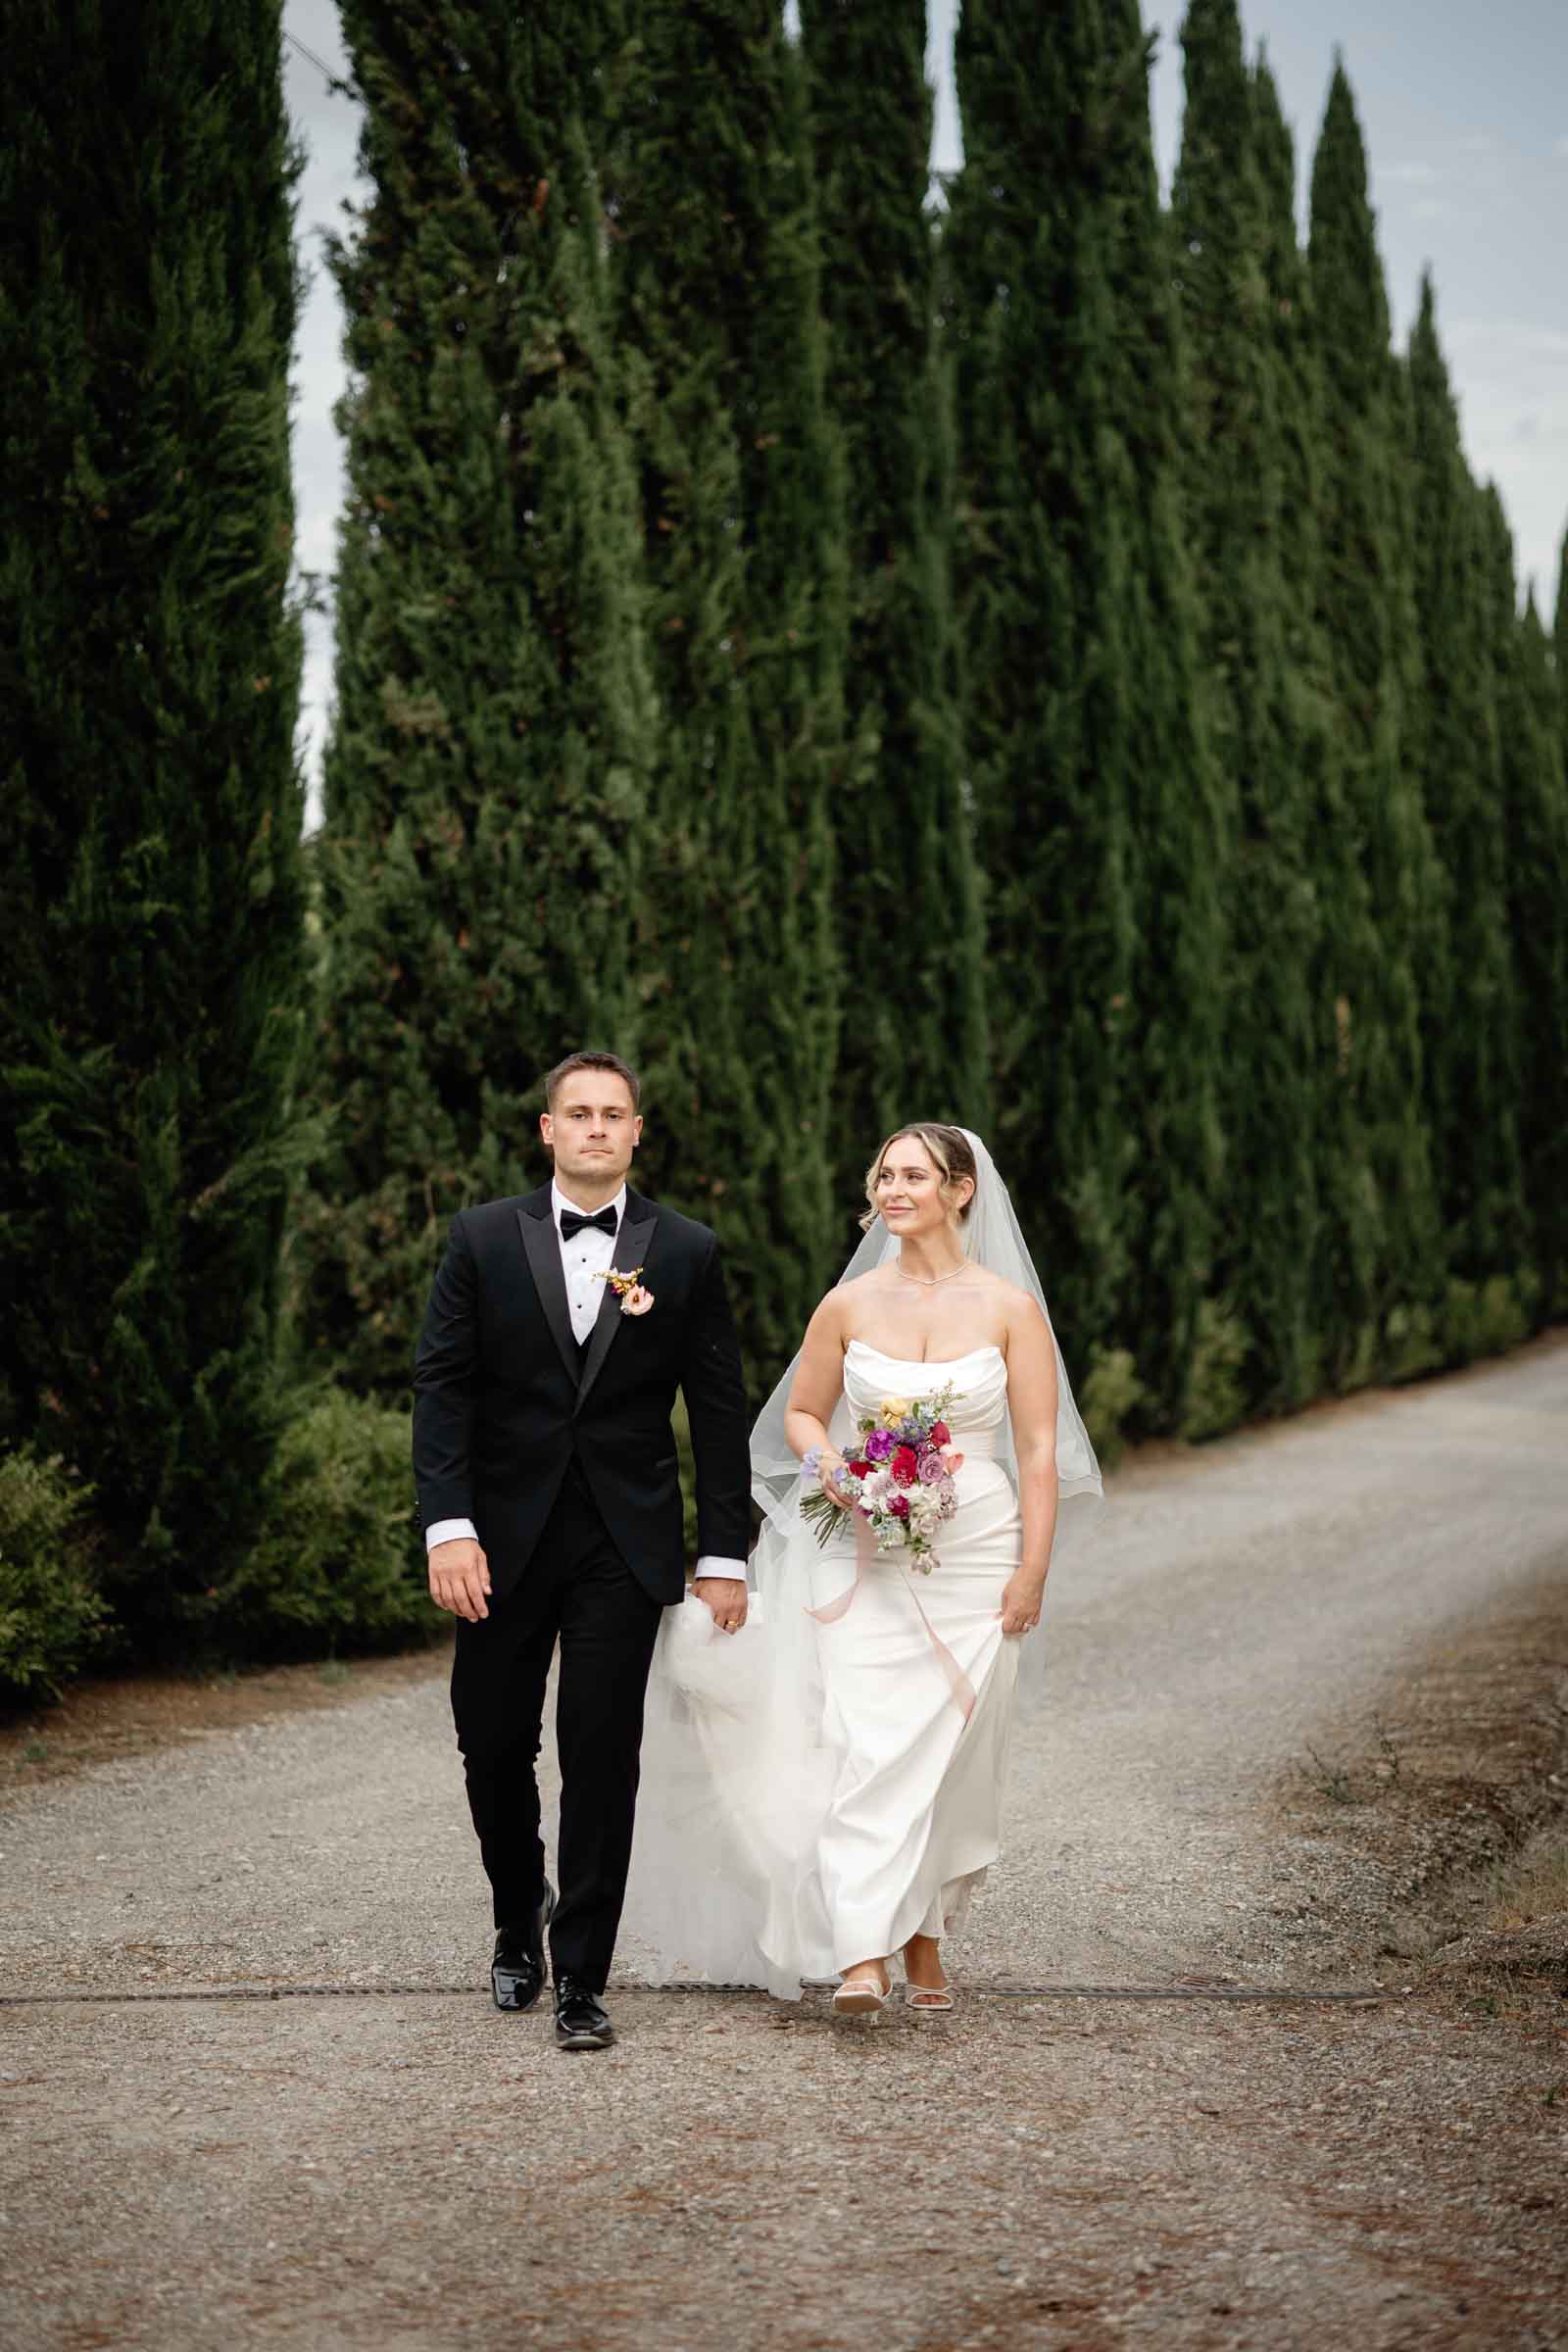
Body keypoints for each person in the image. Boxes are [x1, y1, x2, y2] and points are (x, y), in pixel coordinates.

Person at [622, 1124, 1101, 2012]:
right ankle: (859, 1955)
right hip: (866, 1551)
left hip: (976, 1554)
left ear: (961, 1190)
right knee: (867, 1742)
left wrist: (1033, 1568)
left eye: (914, 1175)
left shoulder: (1008, 1309)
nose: (893, 1189)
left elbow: (1037, 1449)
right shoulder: (846, 1306)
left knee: (956, 1750)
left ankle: (923, 1934)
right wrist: (838, 1472)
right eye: (884, 1174)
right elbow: (804, 1415)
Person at [412, 1051, 752, 2051]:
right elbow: (443, 1389)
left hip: (622, 1538)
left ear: (636, 1132)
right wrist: (448, 1524)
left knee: (601, 1756)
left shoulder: (684, 1251)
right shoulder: (479, 1239)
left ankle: (583, 1979)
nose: (596, 1127)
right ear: (547, 1130)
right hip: (498, 1541)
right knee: (491, 1745)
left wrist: (723, 1551)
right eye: (578, 1113)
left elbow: (719, 1408)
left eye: (614, 1114)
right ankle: (519, 1917)